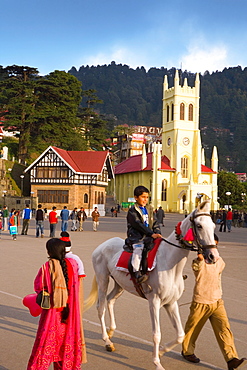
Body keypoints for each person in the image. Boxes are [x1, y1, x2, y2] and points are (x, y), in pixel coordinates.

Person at [182, 236, 246, 370]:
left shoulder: (219, 261)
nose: (212, 250)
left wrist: (213, 257)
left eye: (215, 246)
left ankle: (231, 359)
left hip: (217, 301)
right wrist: (200, 258)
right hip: (201, 302)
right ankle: (187, 351)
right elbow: (197, 268)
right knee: (192, 329)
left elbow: (220, 265)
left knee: (224, 329)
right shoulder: (198, 262)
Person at [27, 238, 86, 369]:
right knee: (65, 351)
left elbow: (39, 287)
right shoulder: (73, 264)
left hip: (53, 316)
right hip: (69, 316)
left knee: (43, 349)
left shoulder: (47, 267)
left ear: (49, 251)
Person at [125, 185, 162, 284]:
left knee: (162, 247)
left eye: (147, 197)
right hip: (137, 237)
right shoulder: (133, 210)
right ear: (136, 198)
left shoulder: (149, 208)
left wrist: (157, 232)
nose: (145, 200)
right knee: (138, 250)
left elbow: (154, 222)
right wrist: (151, 234)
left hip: (149, 236)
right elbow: (138, 225)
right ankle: (136, 272)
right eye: (143, 197)